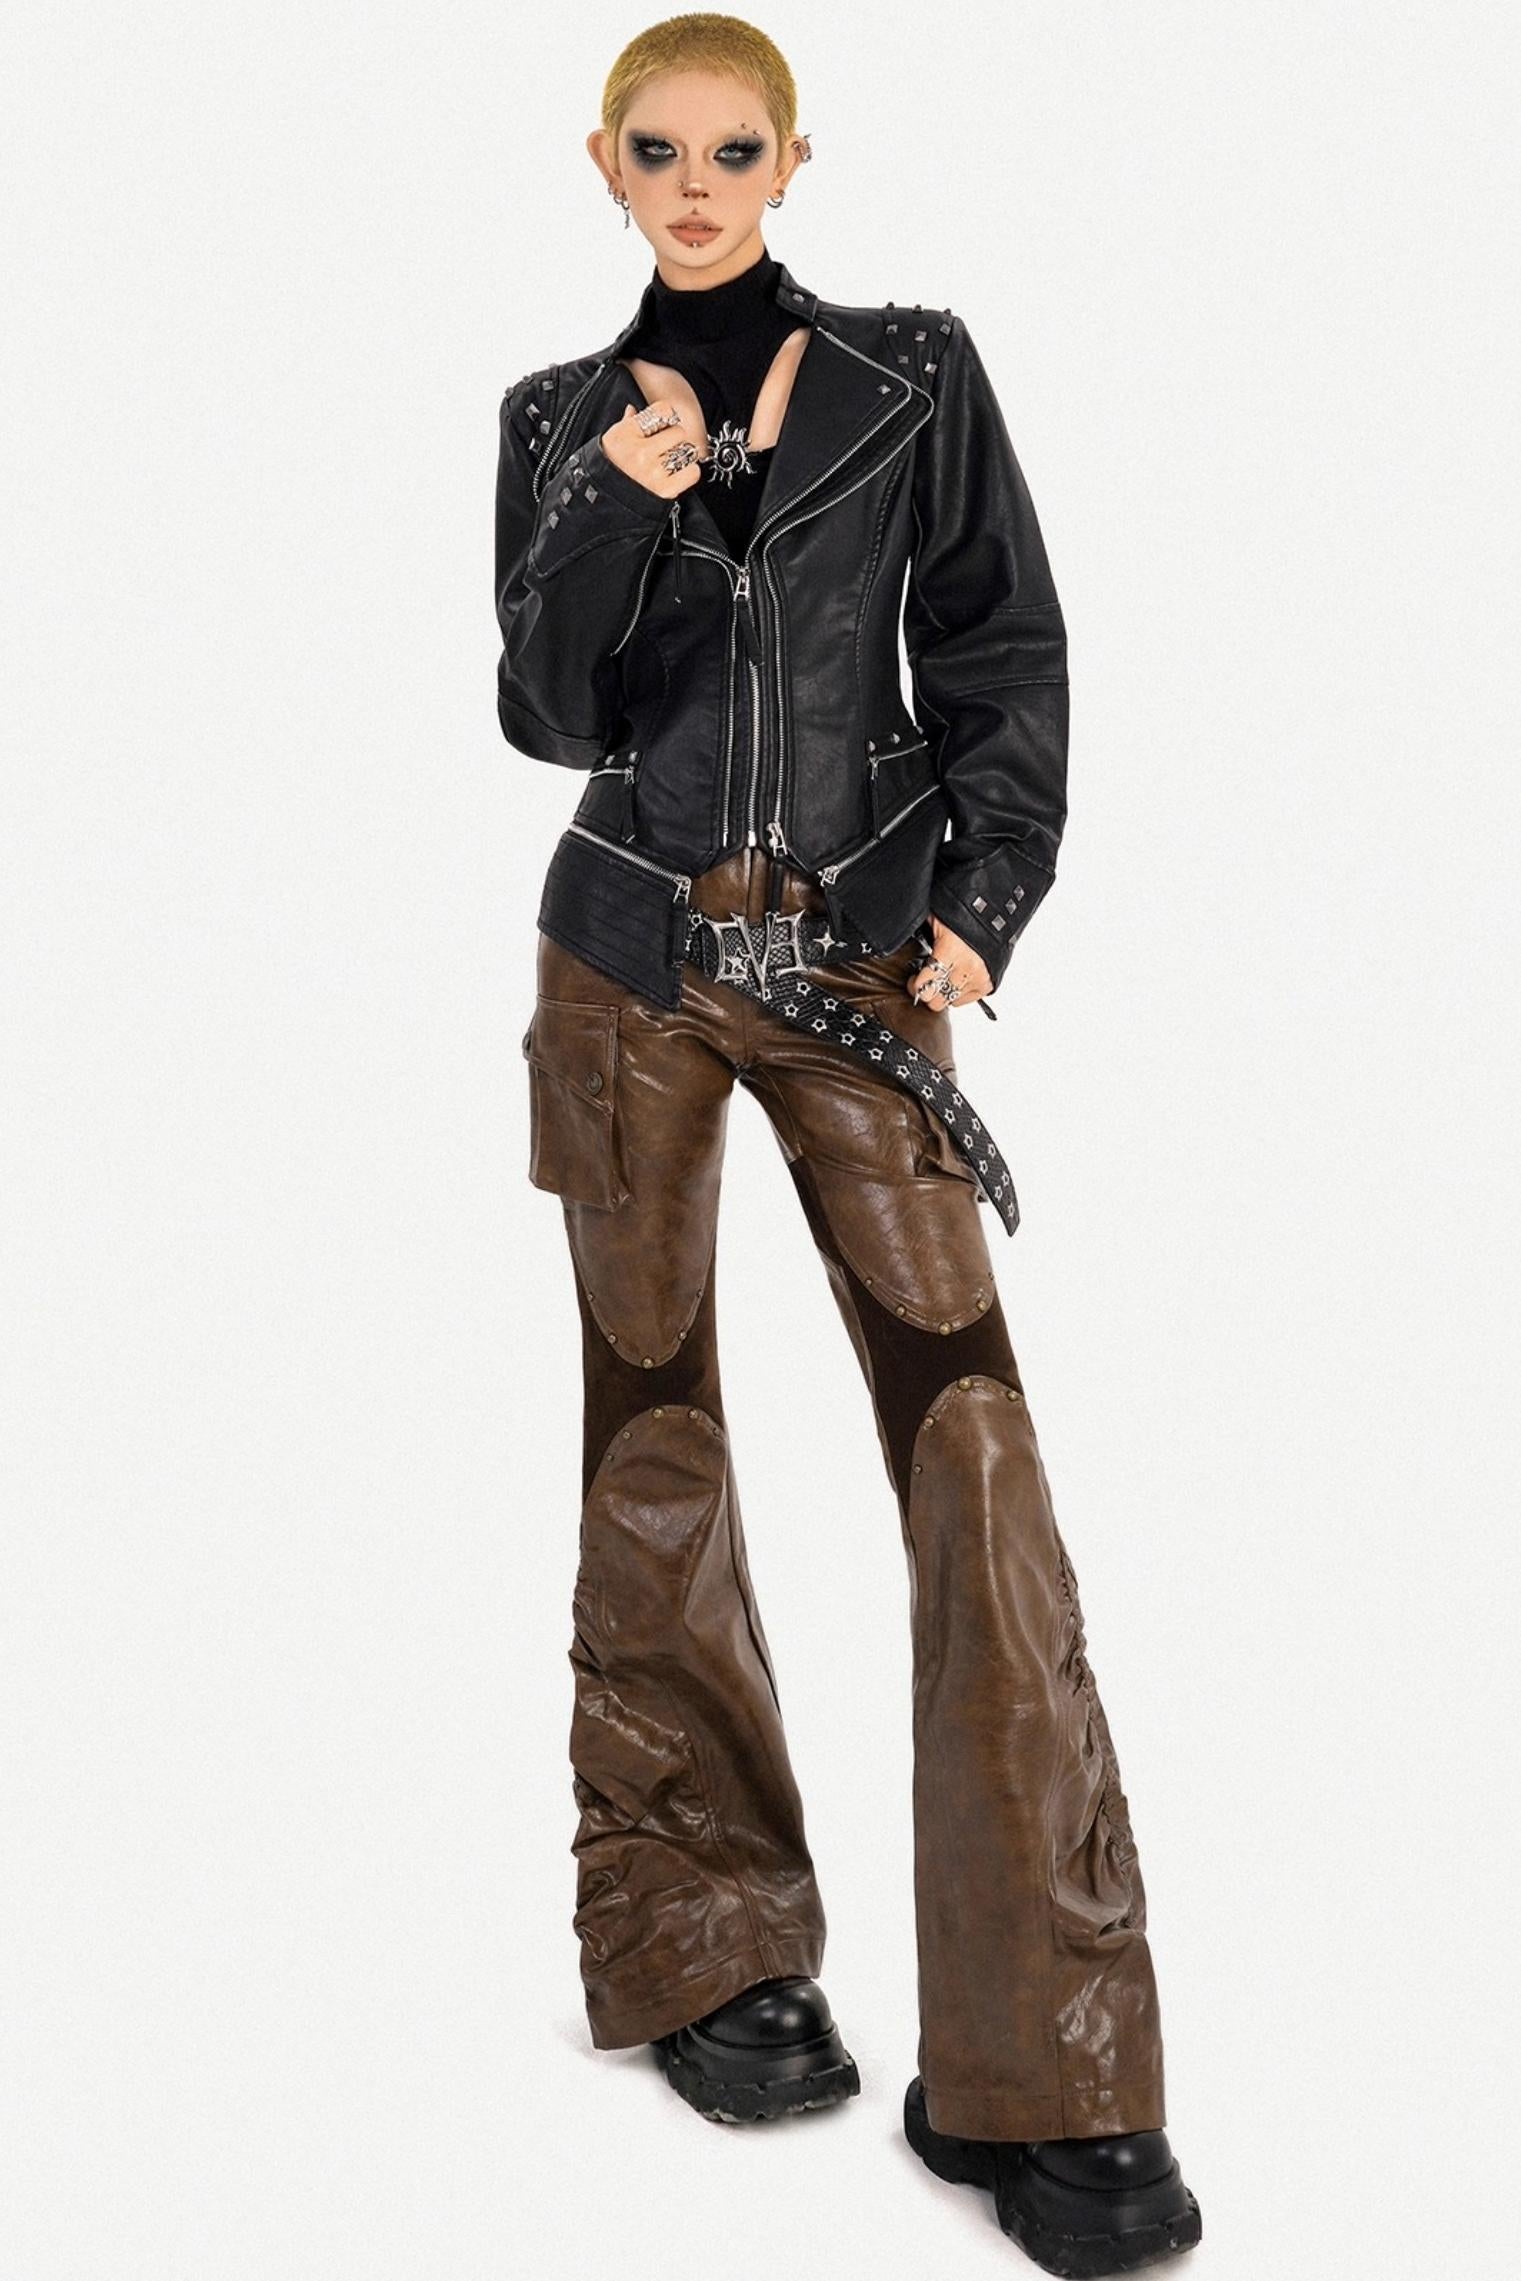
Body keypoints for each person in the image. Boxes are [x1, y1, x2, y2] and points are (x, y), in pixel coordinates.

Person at [495, 16, 1202, 2274]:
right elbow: (544, 707)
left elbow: (1001, 648)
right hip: (623, 966)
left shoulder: (912, 372)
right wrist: (626, 495)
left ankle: (1047, 2067)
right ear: (604, 168)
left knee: (972, 1454)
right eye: (657, 151)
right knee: (652, 1445)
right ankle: (701, 1943)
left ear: (792, 160)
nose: (696, 183)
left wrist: (985, 906)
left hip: (863, 969)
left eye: (734, 148)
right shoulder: (555, 416)